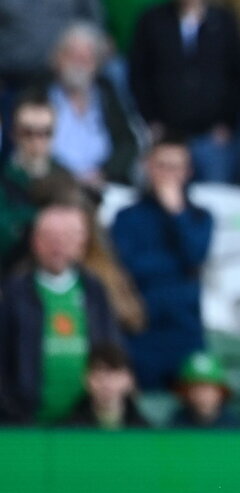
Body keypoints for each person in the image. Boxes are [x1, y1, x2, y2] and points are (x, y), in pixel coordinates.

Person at [0, 203, 121, 424]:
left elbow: (110, 348)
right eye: (49, 237)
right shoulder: (14, 292)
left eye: (66, 238)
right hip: (23, 420)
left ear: (81, 243)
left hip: (84, 421)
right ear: (35, 242)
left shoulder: (94, 290)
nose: (57, 246)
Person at [110, 135, 214, 390]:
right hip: (140, 332)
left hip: (186, 332)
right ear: (148, 166)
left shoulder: (201, 217)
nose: (168, 174)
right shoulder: (126, 217)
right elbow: (127, 269)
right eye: (161, 165)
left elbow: (195, 255)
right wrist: (175, 266)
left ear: (188, 172)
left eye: (175, 167)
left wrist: (177, 214)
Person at [128, 0, 240, 183]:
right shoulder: (152, 21)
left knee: (215, 198)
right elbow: (138, 76)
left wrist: (228, 123)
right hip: (166, 136)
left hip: (212, 137)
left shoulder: (224, 21)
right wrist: (151, 121)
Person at [41, 21, 140, 186]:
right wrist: (66, 177)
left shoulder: (106, 94)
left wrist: (103, 172)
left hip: (102, 184)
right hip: (53, 184)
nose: (79, 64)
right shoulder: (39, 94)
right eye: (72, 56)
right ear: (57, 58)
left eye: (87, 58)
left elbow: (128, 144)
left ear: (97, 64)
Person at [0, 95, 76, 273]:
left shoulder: (66, 176)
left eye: (46, 132)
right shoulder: (3, 178)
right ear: (14, 134)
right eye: (28, 132)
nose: (37, 141)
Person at [64, 341, 149, 429]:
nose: (105, 383)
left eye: (114, 374)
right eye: (98, 374)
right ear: (85, 379)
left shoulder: (147, 432)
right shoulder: (66, 431)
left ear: (129, 380)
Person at [170, 351, 240, 428]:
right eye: (195, 389)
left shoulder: (235, 426)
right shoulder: (176, 423)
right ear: (185, 393)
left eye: (207, 389)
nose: (201, 395)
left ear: (221, 392)